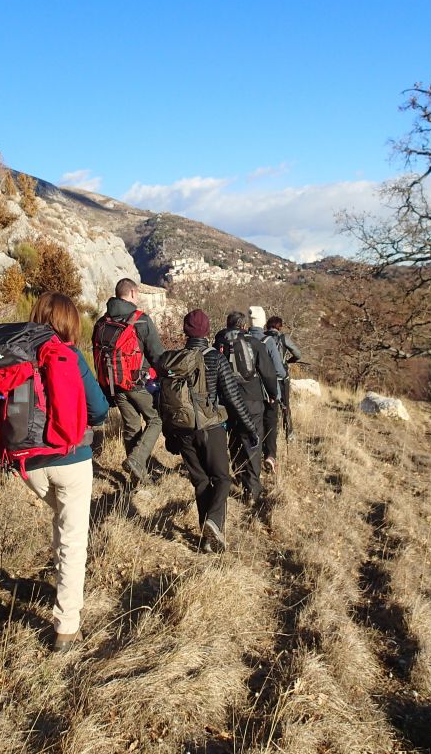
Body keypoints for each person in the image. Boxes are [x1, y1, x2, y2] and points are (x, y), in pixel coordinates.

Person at [23, 292, 109, 653]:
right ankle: (67, 627)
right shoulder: (69, 355)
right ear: (70, 322)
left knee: (61, 521)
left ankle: (64, 584)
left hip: (28, 463)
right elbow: (99, 409)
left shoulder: (16, 353)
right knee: (73, 538)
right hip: (70, 459)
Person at [162, 309, 259, 552]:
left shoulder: (174, 360)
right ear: (207, 331)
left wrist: (169, 435)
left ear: (185, 330)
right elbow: (233, 398)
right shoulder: (215, 358)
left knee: (201, 482)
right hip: (211, 428)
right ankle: (214, 523)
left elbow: (162, 401)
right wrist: (250, 428)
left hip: (183, 430)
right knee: (222, 478)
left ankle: (207, 539)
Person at [93, 278, 165, 483]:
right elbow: (157, 356)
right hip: (138, 384)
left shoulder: (102, 322)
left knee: (132, 425)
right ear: (133, 293)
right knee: (156, 419)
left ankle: (137, 476)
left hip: (114, 385)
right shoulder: (141, 320)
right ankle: (136, 459)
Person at [214, 311, 278, 505]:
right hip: (252, 400)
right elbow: (268, 373)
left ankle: (240, 476)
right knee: (252, 441)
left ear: (228, 325)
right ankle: (252, 489)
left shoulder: (219, 343)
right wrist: (273, 394)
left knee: (234, 439)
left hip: (227, 401)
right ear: (243, 326)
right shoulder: (254, 343)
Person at [247, 306, 286, 473]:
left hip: (248, 392)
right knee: (270, 424)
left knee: (253, 426)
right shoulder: (268, 341)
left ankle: (252, 458)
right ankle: (270, 456)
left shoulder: (243, 339)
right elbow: (279, 371)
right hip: (269, 392)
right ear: (263, 321)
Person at [264, 316, 303, 442]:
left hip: (265, 377)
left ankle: (268, 434)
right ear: (279, 326)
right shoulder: (283, 338)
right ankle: (289, 434)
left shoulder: (262, 337)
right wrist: (290, 361)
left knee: (268, 406)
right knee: (285, 406)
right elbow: (298, 354)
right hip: (282, 377)